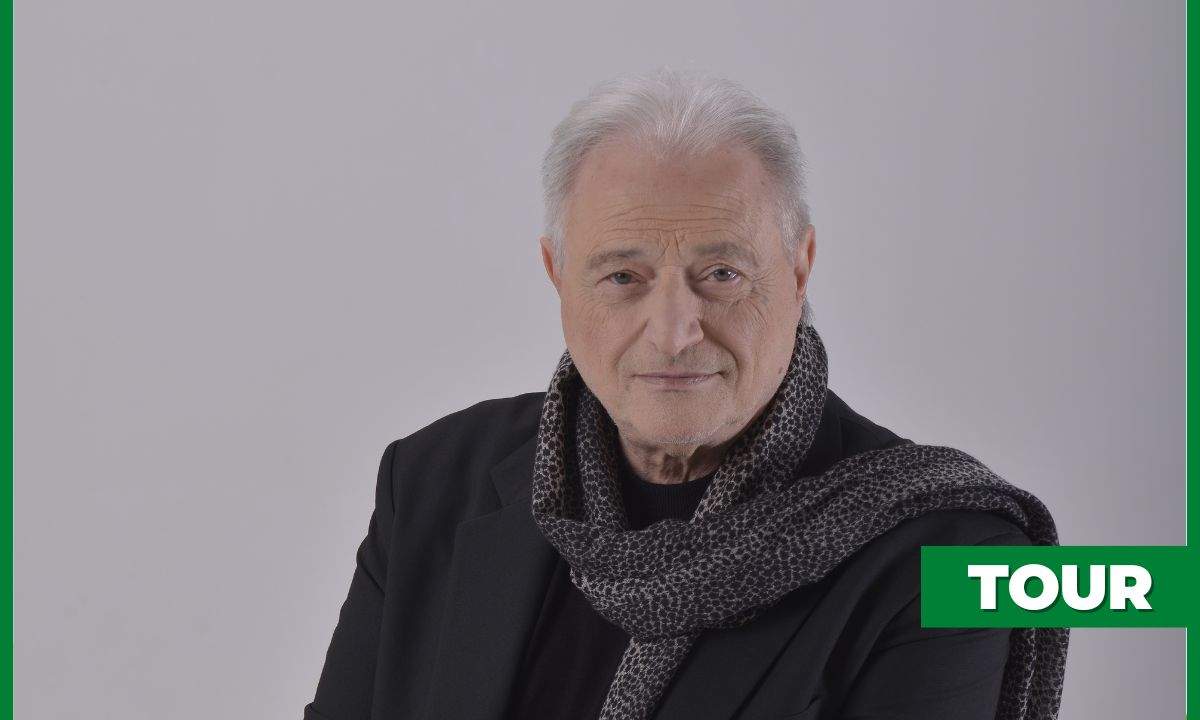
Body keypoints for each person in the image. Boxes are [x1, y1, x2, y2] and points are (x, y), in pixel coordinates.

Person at [303, 67, 1067, 720]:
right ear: (558, 276)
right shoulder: (432, 477)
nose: (674, 331)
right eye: (623, 276)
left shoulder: (965, 555)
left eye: (722, 273)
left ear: (799, 269)